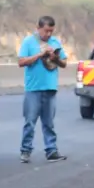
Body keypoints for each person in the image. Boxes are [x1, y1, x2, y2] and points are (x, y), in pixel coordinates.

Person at [17, 16, 68, 164]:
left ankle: (51, 150)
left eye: (51, 31)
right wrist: (39, 55)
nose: (49, 34)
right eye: (46, 31)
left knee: (49, 123)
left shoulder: (55, 42)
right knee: (30, 122)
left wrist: (55, 57)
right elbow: (21, 62)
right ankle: (25, 150)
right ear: (38, 28)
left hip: (50, 88)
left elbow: (64, 63)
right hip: (33, 88)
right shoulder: (28, 42)